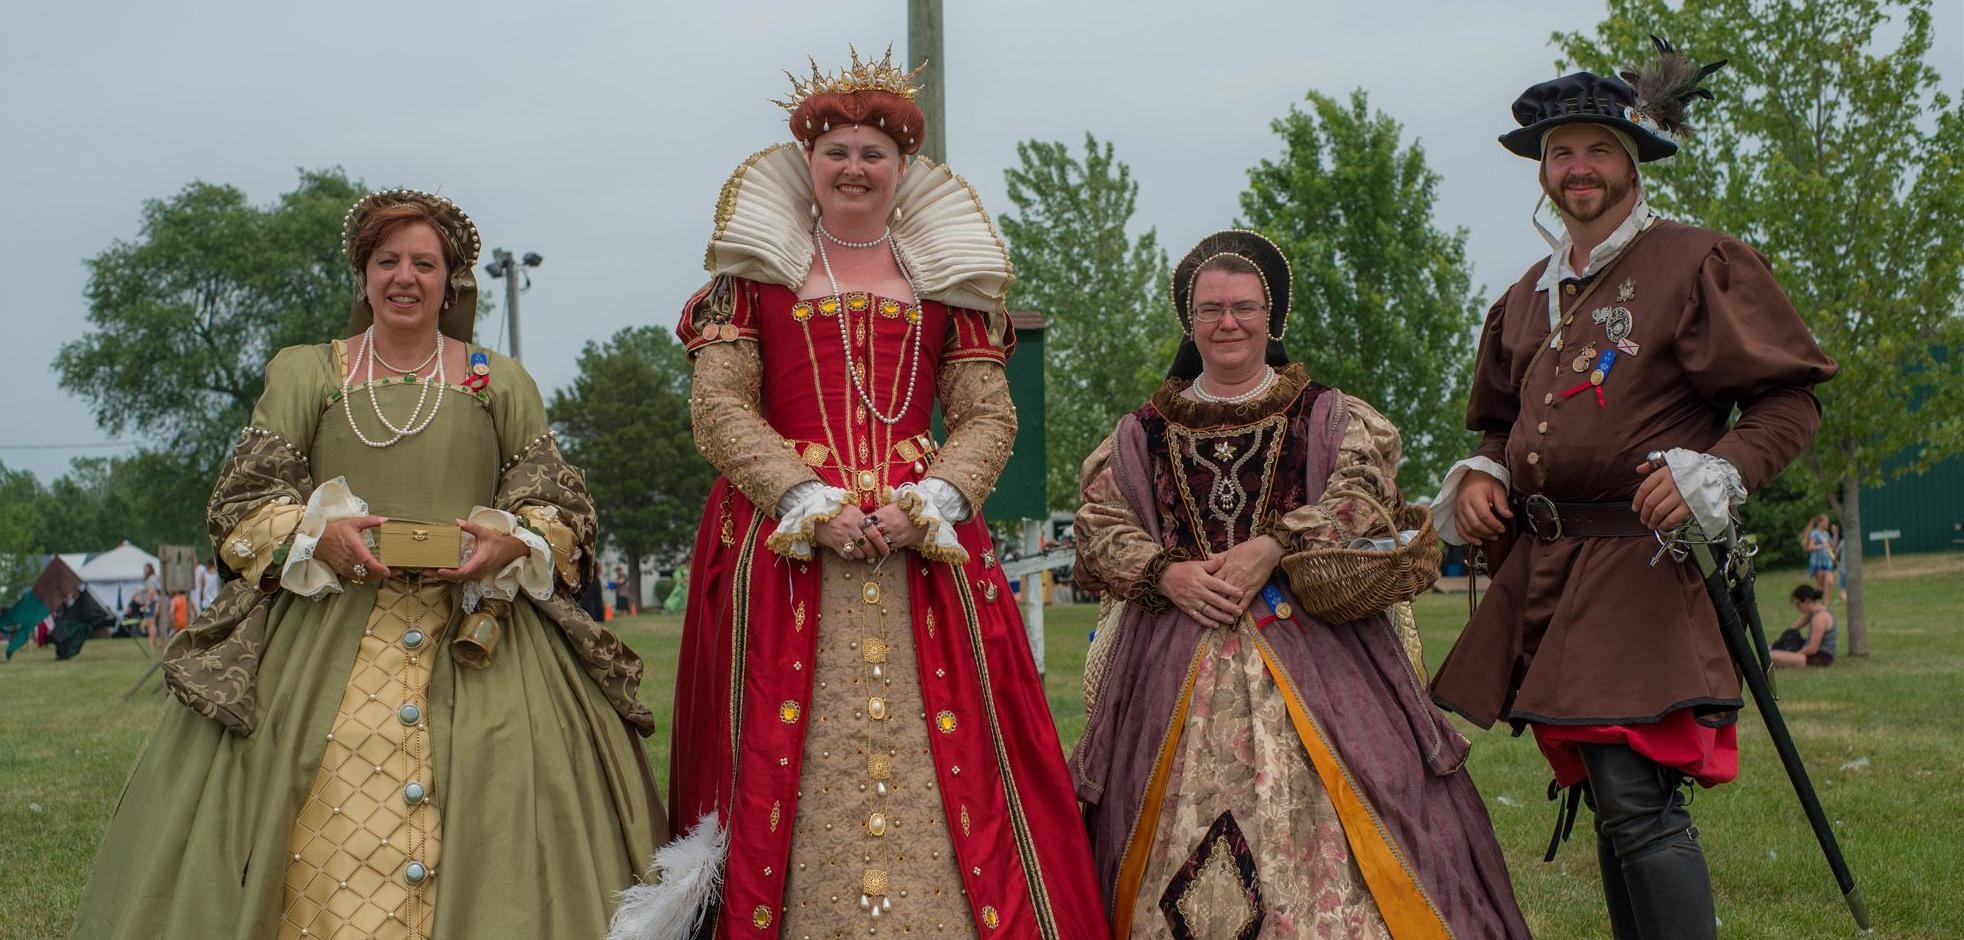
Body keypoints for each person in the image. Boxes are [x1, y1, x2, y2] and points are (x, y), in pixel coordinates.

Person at [74, 189, 667, 939]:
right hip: (323, 628)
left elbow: (558, 504)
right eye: (387, 261)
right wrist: (315, 536)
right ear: (363, 274)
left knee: (507, 779)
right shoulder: (306, 374)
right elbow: (243, 500)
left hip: (482, 632)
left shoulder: (499, 380)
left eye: (424, 262)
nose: (405, 277)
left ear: (449, 280)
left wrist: (512, 541)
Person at [632, 47, 1106, 939]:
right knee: (787, 752)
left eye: (873, 154)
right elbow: (720, 407)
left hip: (919, 545)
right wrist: (803, 498)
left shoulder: (949, 283)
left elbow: (986, 416)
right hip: (781, 548)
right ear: (807, 165)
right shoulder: (753, 275)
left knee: (952, 748)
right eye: (837, 152)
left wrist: (934, 499)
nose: (854, 168)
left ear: (901, 169)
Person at [1429, 38, 1838, 940]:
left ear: (1633, 161)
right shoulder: (1528, 295)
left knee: (1634, 794)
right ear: (1543, 170)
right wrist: (1485, 475)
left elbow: (1786, 400)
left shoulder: (1696, 264)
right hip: (1549, 568)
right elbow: (1500, 422)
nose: (1579, 168)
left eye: (1598, 150)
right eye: (1562, 152)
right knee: (1609, 792)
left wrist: (1719, 470)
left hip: (1642, 564)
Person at [1070, 230, 1529, 938]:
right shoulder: (1142, 434)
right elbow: (1100, 524)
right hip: (1172, 661)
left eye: (1245, 308)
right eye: (1211, 309)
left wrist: (1274, 545)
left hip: (1317, 650)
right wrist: (1170, 571)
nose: (1228, 322)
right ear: (1189, 322)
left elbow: (1362, 497)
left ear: (1271, 317)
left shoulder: (1328, 415)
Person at [1771, 584, 1837, 668]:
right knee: (1771, 650)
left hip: (1820, 658)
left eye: (1798, 604)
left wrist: (1792, 656)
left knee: (1771, 656)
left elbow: (1813, 648)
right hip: (1813, 654)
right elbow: (1792, 629)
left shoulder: (1819, 618)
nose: (1797, 607)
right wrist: (1777, 645)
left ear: (1807, 601)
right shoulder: (1814, 611)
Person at [1803, 514, 1836, 601]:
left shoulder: (1826, 534)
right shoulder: (1814, 533)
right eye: (1826, 521)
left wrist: (1835, 533)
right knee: (1820, 586)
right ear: (1820, 522)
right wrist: (1822, 546)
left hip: (1827, 561)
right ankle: (1816, 602)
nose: (1827, 523)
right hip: (1818, 562)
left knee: (1830, 581)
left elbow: (1831, 546)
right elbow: (1810, 547)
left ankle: (1825, 603)